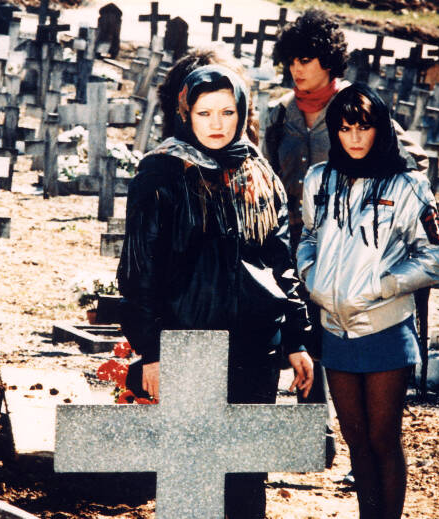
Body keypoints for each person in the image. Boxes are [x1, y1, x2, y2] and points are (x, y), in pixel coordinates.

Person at [117, 64, 314, 519]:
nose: (217, 124)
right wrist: (152, 350)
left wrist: (295, 339)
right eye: (204, 113)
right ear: (186, 114)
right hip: (188, 343)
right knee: (190, 477)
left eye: (228, 112)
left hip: (255, 345)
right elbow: (140, 270)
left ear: (242, 113)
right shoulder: (161, 173)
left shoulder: (258, 173)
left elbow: (280, 261)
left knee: (246, 476)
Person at [264, 8, 429, 469]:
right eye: (291, 60)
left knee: (346, 348)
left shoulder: (355, 108)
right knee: (302, 338)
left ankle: (356, 456)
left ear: (330, 61)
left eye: (307, 59)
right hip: (298, 248)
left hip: (356, 257)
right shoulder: (279, 114)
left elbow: (409, 164)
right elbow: (268, 175)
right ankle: (311, 439)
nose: (297, 69)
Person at [297, 83, 439, 519]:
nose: (355, 138)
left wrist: (382, 286)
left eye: (363, 127)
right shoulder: (319, 179)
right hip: (335, 329)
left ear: (380, 128)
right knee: (356, 440)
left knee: (383, 439)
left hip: (386, 328)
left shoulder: (408, 185)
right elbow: (307, 237)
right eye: (345, 129)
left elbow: (436, 257)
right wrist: (313, 279)